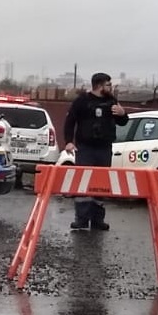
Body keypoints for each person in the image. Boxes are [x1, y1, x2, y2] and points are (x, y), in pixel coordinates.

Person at [61, 72, 128, 231]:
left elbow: (123, 121)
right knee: (84, 183)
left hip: (104, 148)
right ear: (99, 85)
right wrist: (69, 142)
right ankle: (82, 219)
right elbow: (70, 122)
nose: (111, 87)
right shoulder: (82, 101)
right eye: (108, 84)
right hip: (85, 148)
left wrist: (123, 114)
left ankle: (98, 219)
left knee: (101, 184)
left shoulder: (111, 101)